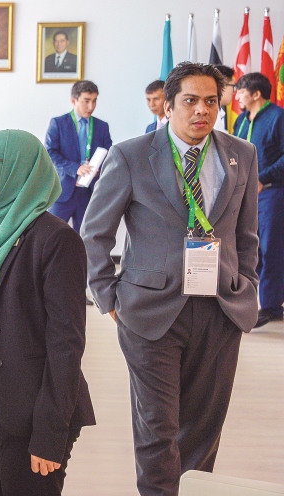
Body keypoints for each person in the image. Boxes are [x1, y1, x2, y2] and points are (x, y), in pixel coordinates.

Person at [82, 62, 259, 496]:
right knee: (158, 428)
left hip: (220, 310)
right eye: (190, 101)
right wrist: (109, 298)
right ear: (167, 105)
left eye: (211, 101)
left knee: (204, 429)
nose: (202, 110)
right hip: (149, 312)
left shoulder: (242, 154)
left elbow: (247, 235)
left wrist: (247, 288)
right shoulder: (132, 154)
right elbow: (94, 232)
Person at [0, 130, 95, 495]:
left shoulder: (56, 240)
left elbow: (66, 344)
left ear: (17, 170)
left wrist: (49, 433)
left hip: (31, 412)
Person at [233, 72, 284, 328]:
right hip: (245, 193)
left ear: (256, 94)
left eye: (241, 92)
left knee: (270, 248)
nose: (237, 97)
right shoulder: (241, 120)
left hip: (272, 192)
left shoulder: (278, 117)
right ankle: (249, 303)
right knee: (248, 249)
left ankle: (272, 306)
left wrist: (263, 178)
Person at [45, 80, 112, 233]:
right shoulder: (58, 123)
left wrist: (100, 167)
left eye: (94, 101)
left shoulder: (102, 126)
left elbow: (110, 154)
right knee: (51, 233)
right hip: (63, 190)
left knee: (85, 236)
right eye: (86, 101)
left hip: (89, 192)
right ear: (73, 100)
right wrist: (76, 168)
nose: (91, 106)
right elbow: (50, 152)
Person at [214, 64, 236, 133]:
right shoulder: (211, 116)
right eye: (233, 86)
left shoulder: (217, 113)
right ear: (222, 86)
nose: (234, 91)